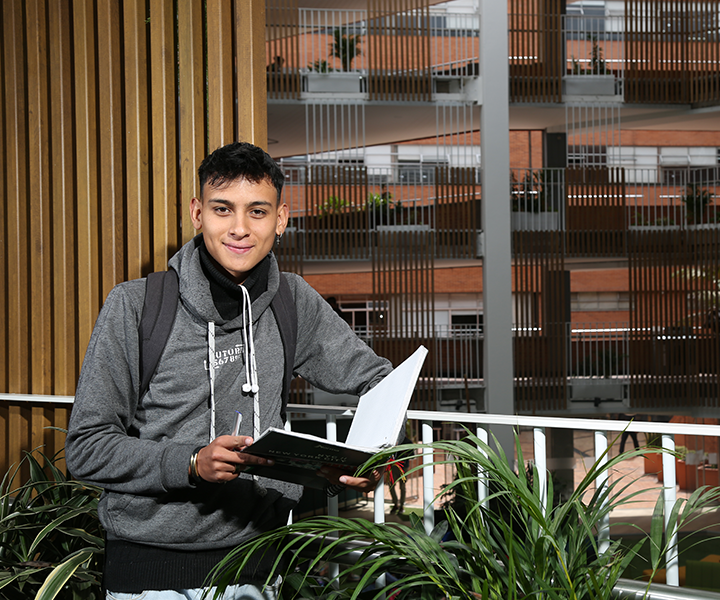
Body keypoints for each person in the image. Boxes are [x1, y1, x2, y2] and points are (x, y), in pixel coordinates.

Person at [65, 141, 393, 600]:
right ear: (198, 213)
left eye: (257, 212)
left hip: (260, 568)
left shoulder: (291, 300)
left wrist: (367, 456)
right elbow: (86, 447)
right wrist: (191, 463)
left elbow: (381, 380)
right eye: (223, 209)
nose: (239, 229)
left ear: (280, 219)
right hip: (153, 575)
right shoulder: (136, 305)